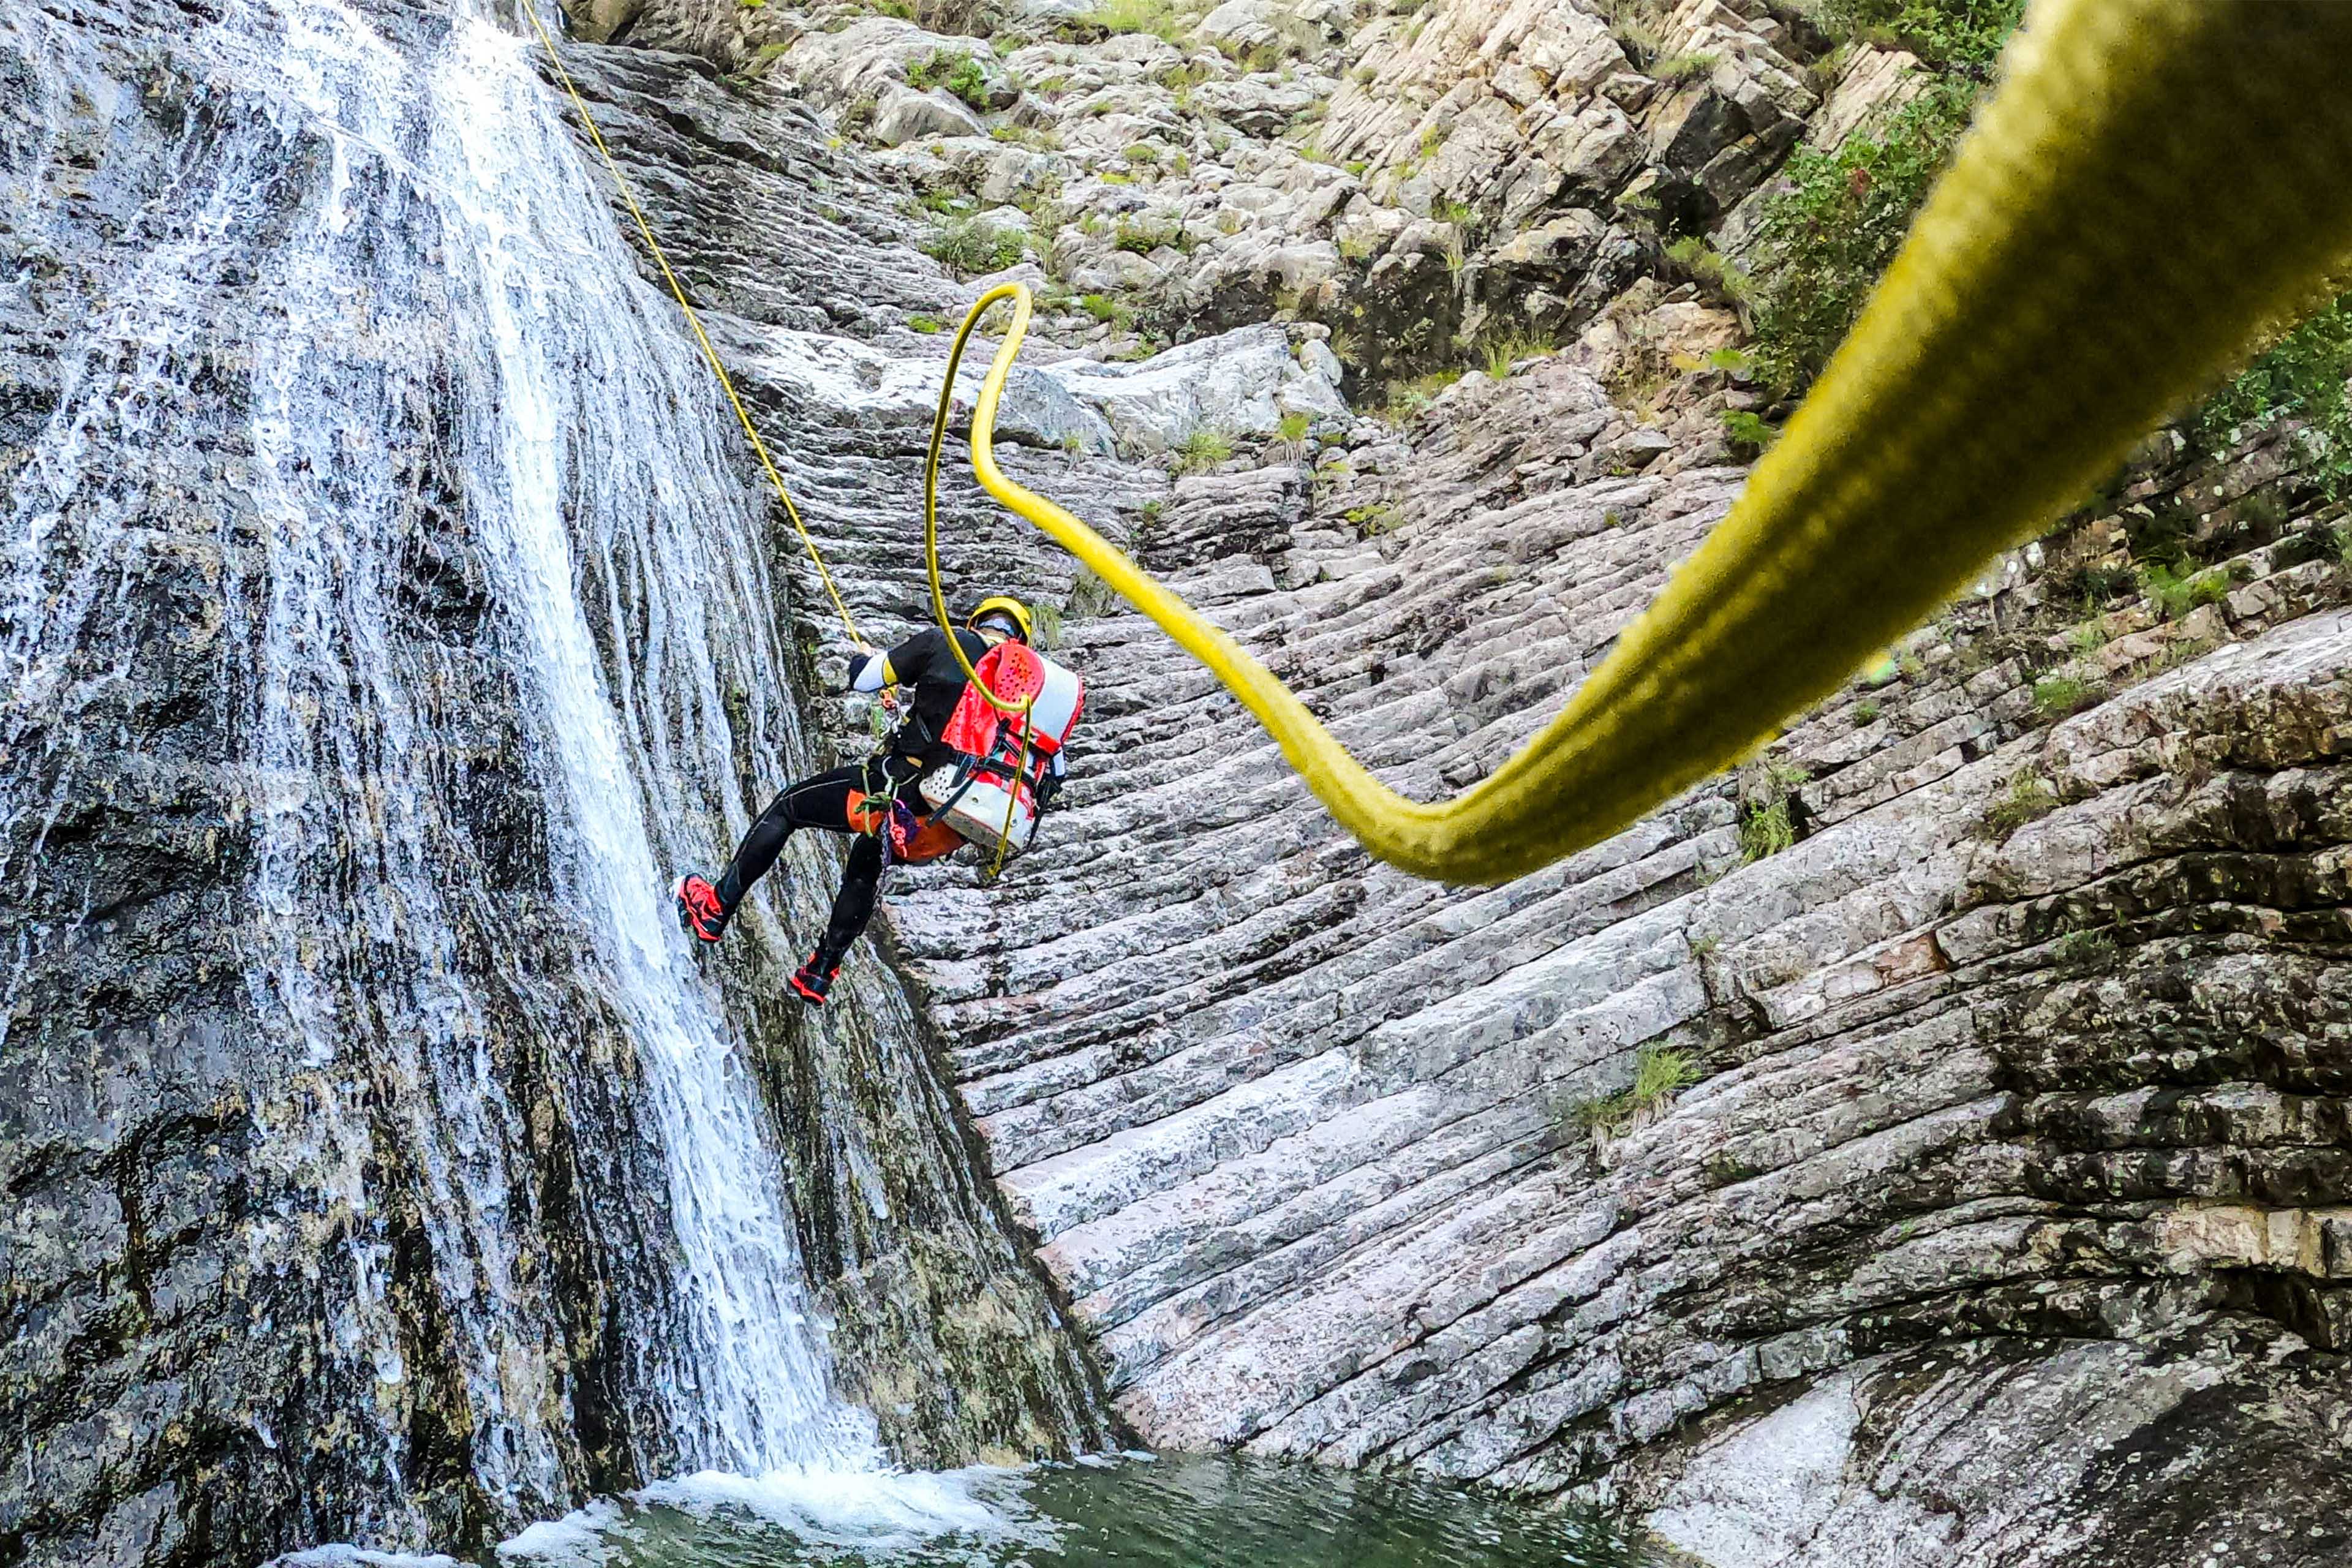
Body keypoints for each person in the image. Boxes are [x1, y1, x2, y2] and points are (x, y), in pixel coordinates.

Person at [672, 595, 1065, 1005]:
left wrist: (869, 661)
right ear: (1020, 643)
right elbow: (1053, 774)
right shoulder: (1034, 700)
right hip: (945, 827)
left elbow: (863, 679)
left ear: (977, 622)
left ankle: (714, 908)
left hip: (894, 795)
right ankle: (819, 974)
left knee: (788, 807)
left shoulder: (943, 642)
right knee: (866, 861)